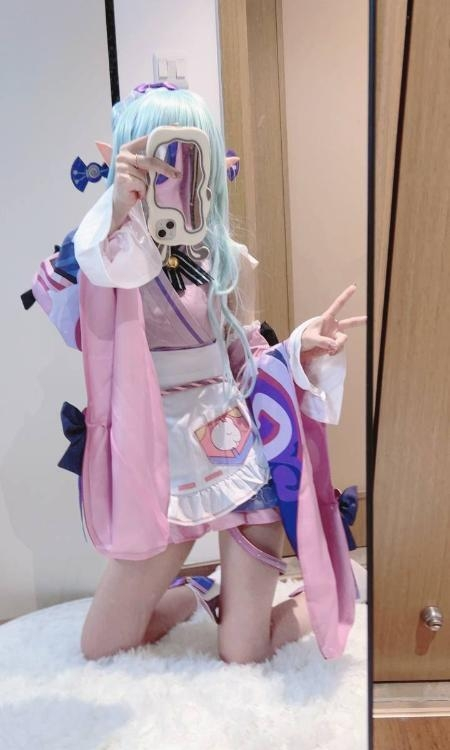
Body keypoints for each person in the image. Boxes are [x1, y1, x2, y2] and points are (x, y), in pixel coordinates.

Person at [26, 84, 366, 664]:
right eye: (161, 154)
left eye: (191, 155)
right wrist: (114, 212)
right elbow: (77, 305)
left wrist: (298, 350)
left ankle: (337, 588)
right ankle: (200, 595)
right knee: (102, 646)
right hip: (157, 462)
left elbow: (242, 362)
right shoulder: (98, 257)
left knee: (243, 653)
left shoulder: (223, 256)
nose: (176, 173)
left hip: (235, 454)